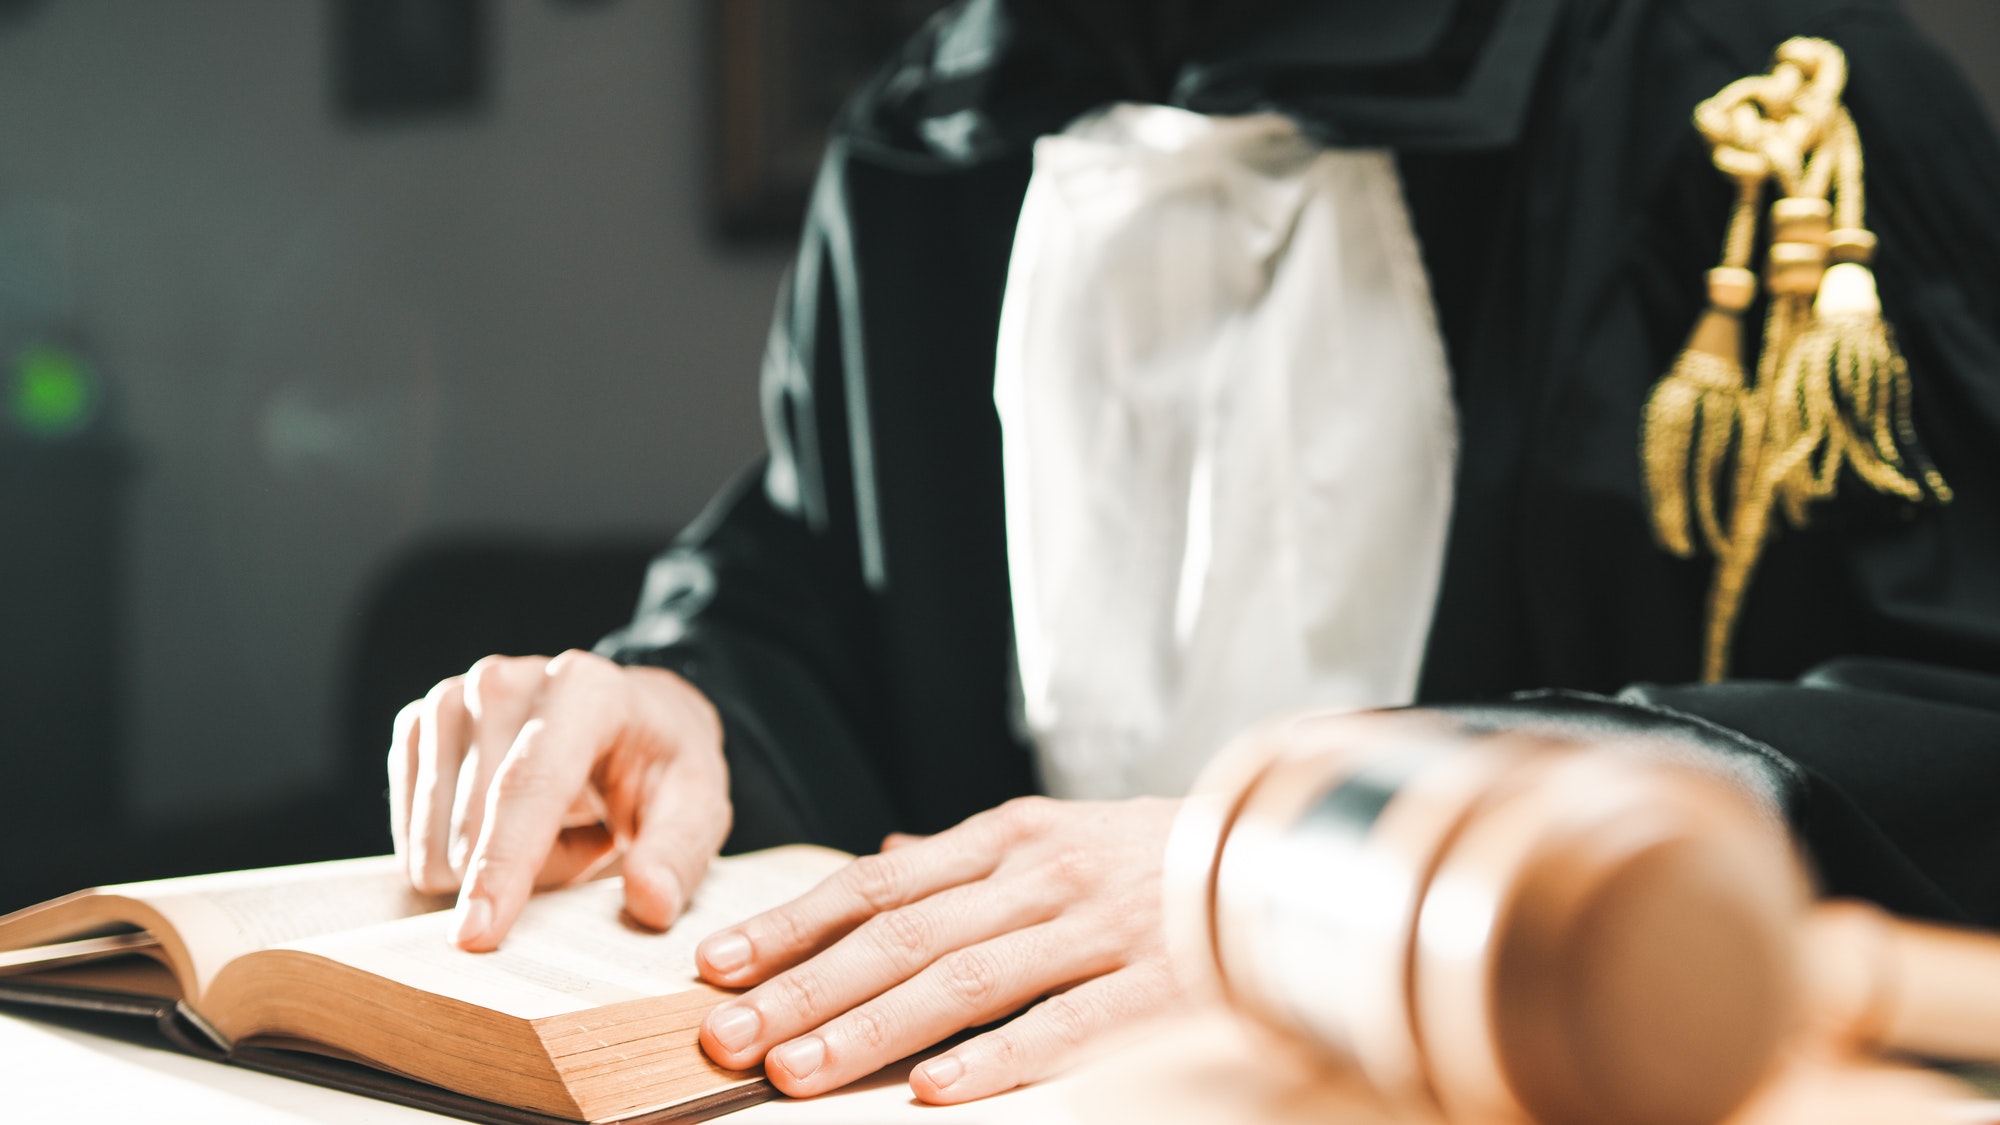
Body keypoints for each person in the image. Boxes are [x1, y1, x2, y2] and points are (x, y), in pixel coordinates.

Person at [387, 0, 2000, 1106]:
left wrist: (1283, 872)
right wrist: (694, 703)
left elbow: (1959, 717)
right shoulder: (933, 132)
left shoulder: (1775, 111)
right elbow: (834, 577)